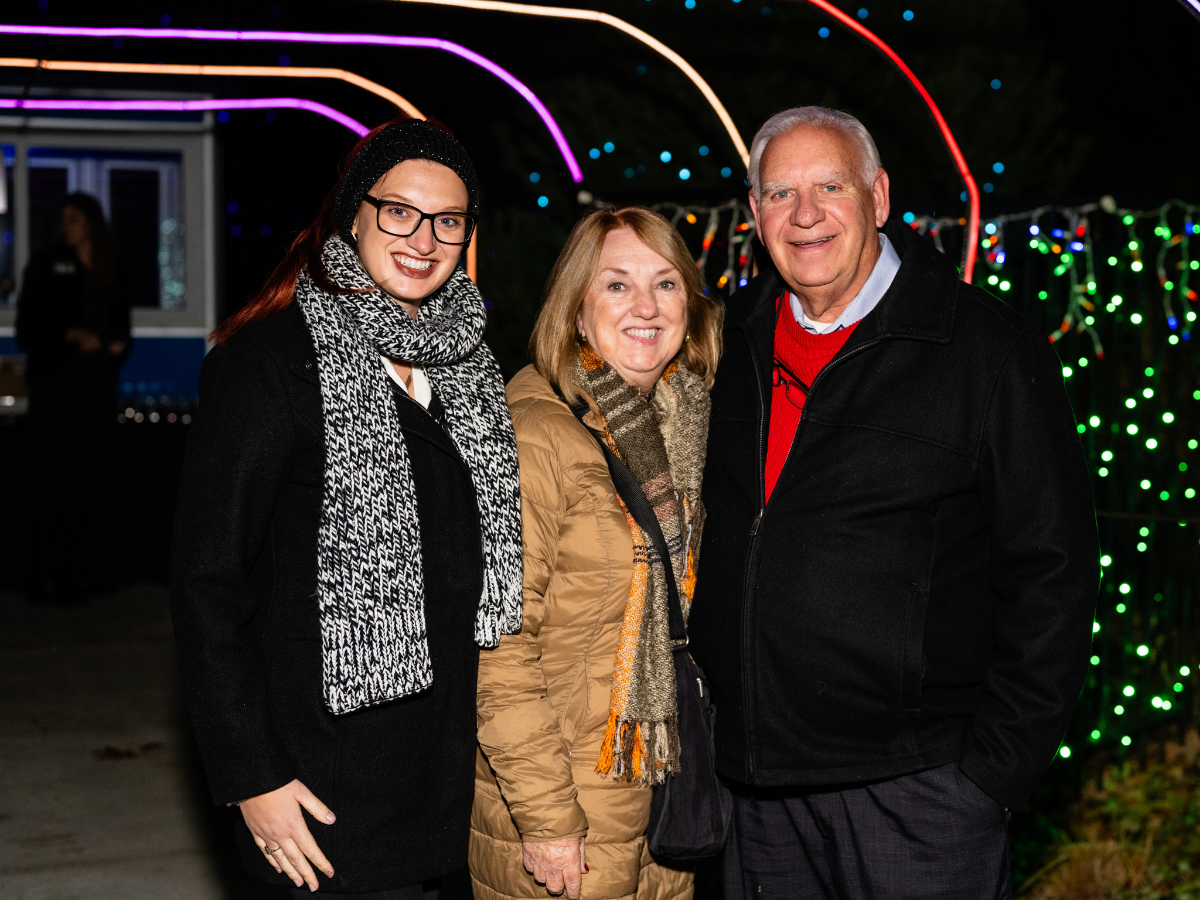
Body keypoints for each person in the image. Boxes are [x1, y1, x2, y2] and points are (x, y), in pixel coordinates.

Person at [687, 106, 1100, 899]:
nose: (804, 215)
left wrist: (990, 774)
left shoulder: (982, 350)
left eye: (829, 186)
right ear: (753, 215)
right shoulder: (723, 343)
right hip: (756, 789)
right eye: (779, 194)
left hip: (919, 794)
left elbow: (1053, 570)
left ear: (878, 197)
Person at [170, 119, 523, 898]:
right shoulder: (270, 364)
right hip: (321, 793)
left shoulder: (470, 367)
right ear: (352, 215)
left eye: (448, 221)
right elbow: (207, 584)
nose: (424, 238)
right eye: (399, 211)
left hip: (445, 787)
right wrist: (251, 778)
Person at [470, 207, 723, 900]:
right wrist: (548, 816)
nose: (645, 306)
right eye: (616, 285)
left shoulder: (684, 426)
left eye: (666, 284)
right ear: (577, 311)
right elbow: (499, 644)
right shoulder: (533, 435)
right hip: (565, 808)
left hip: (661, 788)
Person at [16, 193, 131, 605]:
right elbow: (28, 329)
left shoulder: (108, 268)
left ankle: (74, 570)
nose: (67, 227)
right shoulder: (48, 265)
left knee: (86, 482)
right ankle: (42, 574)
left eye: (75, 219)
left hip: (94, 389)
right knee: (51, 483)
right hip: (57, 389)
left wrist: (118, 343)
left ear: (92, 224)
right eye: (63, 220)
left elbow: (121, 322)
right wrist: (69, 335)